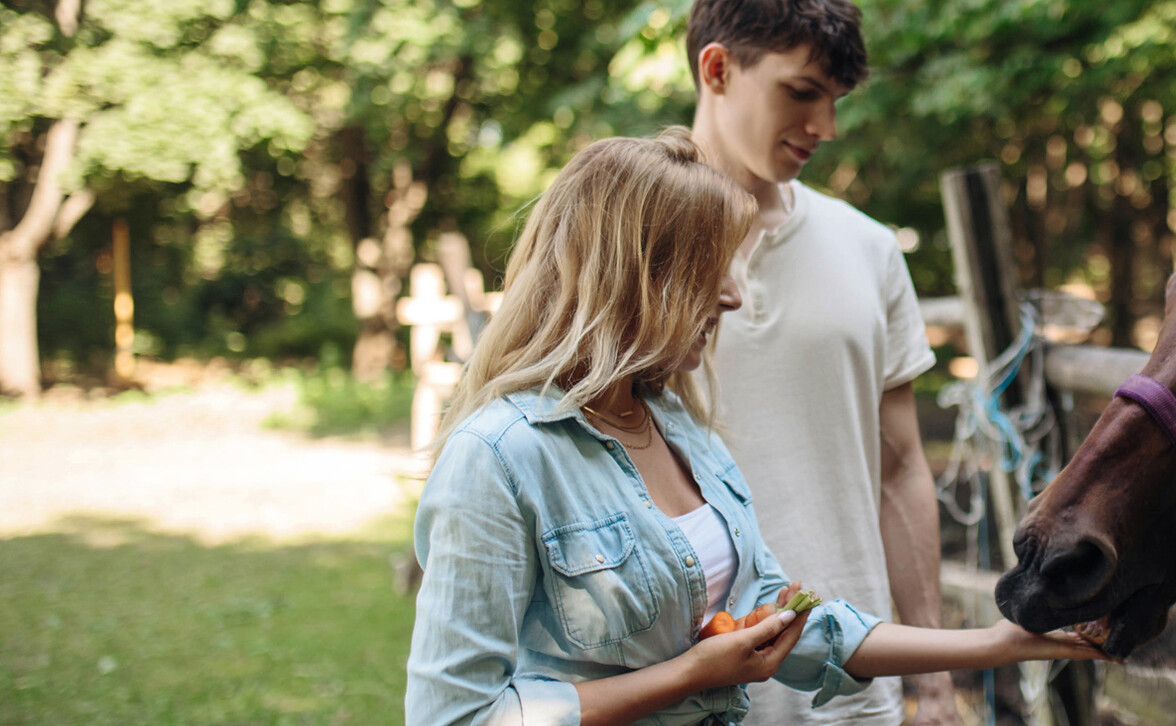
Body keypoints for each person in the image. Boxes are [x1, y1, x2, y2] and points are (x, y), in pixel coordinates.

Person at [403, 130, 1103, 726]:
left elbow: (796, 628)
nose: (733, 295)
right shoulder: (498, 457)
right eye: (711, 269)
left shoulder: (676, 427)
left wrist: (995, 643)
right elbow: (454, 714)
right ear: (636, 275)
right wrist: (689, 675)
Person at [683, 1, 953, 723]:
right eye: (802, 92)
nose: (825, 128)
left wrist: (931, 679)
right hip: (672, 688)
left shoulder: (869, 248)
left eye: (835, 101)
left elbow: (900, 468)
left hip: (848, 684)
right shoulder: (622, 243)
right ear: (718, 68)